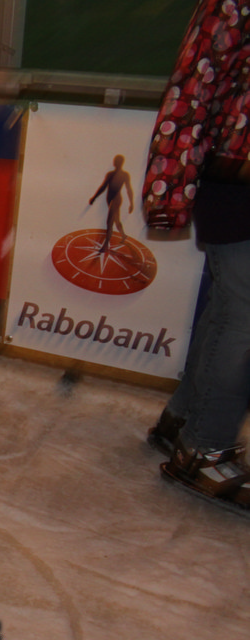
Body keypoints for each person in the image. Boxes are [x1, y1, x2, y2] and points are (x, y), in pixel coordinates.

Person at [144, 0, 250, 512]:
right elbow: (193, 86)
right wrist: (168, 186)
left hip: (235, 171)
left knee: (232, 307)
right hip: (236, 177)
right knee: (243, 312)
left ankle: (185, 420)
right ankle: (203, 446)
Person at [89, 154, 133, 255]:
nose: (115, 163)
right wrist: (94, 197)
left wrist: (131, 203)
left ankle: (105, 245)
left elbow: (129, 189)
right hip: (109, 199)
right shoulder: (110, 174)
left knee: (110, 222)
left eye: (116, 161)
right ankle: (123, 235)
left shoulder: (124, 175)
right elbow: (103, 187)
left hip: (116, 200)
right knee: (116, 219)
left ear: (120, 163)